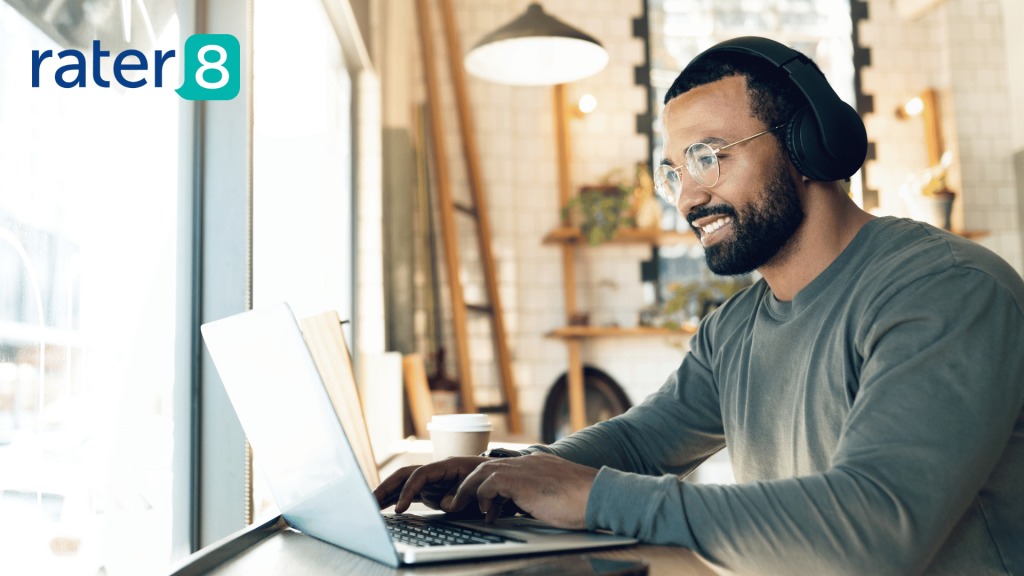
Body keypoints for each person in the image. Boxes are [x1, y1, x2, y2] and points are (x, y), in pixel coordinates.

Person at [374, 37, 1024, 576]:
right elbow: (639, 440)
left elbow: (874, 531)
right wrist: (511, 473)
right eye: (673, 173)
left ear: (808, 146)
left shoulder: (946, 291)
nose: (687, 198)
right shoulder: (736, 327)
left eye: (708, 157)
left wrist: (593, 495)